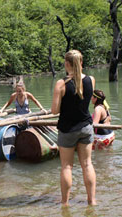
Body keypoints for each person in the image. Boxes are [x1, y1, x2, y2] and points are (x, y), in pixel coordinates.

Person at [51, 50, 96, 206]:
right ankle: (92, 201)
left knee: (67, 167)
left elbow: (55, 111)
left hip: (67, 129)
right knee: (87, 164)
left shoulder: (61, 84)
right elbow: (86, 101)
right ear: (81, 63)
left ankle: (65, 204)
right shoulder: (91, 80)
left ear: (67, 64)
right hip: (86, 127)